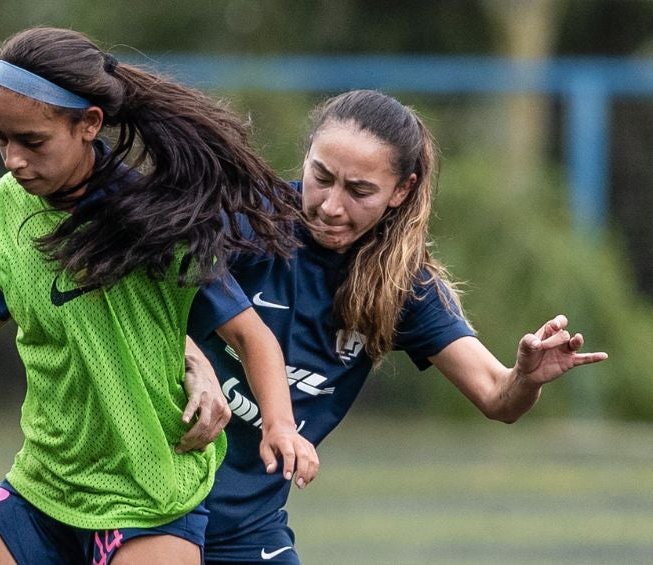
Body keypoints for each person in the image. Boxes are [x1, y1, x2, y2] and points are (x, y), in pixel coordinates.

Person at [0, 27, 318, 565]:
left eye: (32, 141)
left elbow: (251, 334)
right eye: (0, 138)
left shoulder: (154, 223)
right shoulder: (7, 201)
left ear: (89, 124)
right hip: (45, 485)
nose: (13, 159)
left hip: (147, 498)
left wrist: (279, 425)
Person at [183, 89, 609, 564]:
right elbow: (133, 298)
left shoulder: (402, 284)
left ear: (400, 191)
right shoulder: (247, 219)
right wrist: (192, 356)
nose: (329, 205)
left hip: (248, 527)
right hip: (157, 501)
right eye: (320, 177)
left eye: (359, 191)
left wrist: (525, 378)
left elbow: (497, 395)